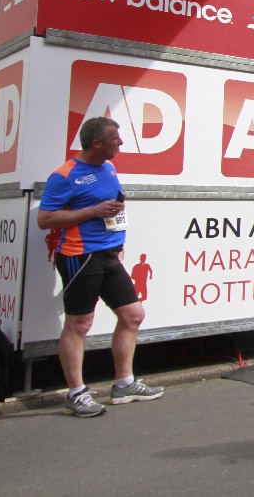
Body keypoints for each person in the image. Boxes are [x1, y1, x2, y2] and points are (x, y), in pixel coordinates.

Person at [36, 116, 164, 418]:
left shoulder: (108, 168)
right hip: (80, 256)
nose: (121, 143)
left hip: (109, 255)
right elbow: (45, 219)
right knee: (79, 324)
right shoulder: (64, 175)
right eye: (115, 139)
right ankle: (76, 394)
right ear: (96, 143)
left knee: (133, 314)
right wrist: (93, 211)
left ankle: (124, 384)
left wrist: (116, 240)